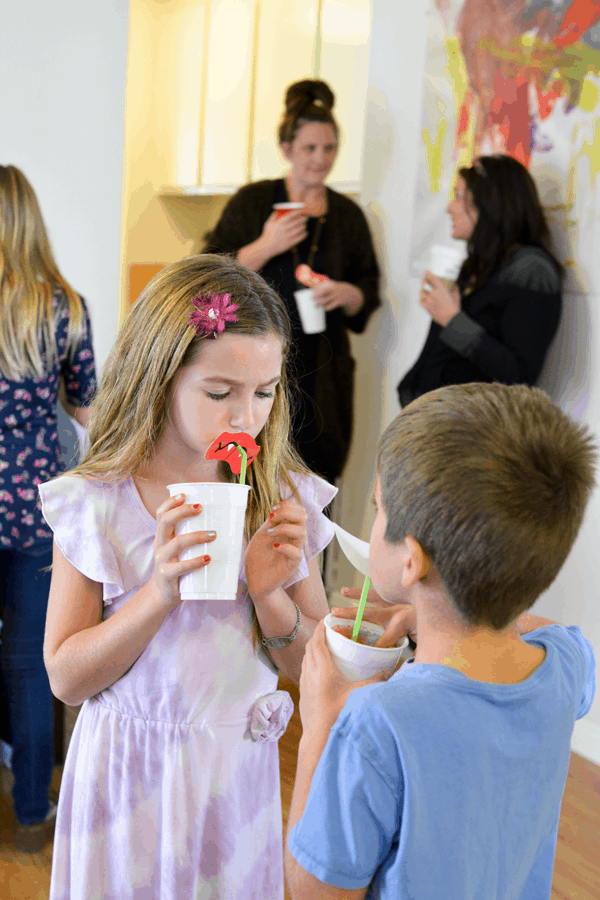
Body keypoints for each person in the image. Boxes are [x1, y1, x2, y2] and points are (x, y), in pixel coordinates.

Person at [39, 254, 336, 899]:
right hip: (124, 782)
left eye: (264, 393)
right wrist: (158, 592)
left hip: (231, 783)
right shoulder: (98, 502)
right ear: (159, 377)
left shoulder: (281, 496)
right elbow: (65, 677)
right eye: (219, 392)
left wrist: (269, 594)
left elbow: (313, 666)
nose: (245, 418)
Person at [285, 382, 596, 900]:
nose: (373, 516)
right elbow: (544, 630)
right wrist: (422, 613)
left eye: (378, 507)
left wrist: (319, 724)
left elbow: (314, 890)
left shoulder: (375, 721)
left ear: (412, 559)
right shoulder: (565, 665)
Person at [203, 78, 381, 484]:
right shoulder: (253, 202)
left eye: (330, 148)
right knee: (247, 479)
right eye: (310, 149)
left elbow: (367, 292)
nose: (321, 159)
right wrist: (266, 245)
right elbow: (209, 274)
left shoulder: (348, 217)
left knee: (316, 484)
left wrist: (346, 293)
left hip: (324, 373)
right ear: (286, 150)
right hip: (249, 365)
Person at [0, 164, 96, 853]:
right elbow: (86, 407)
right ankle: (33, 812)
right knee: (33, 663)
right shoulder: (65, 306)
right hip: (38, 512)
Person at [398, 154, 563, 407]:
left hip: (473, 435)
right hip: (432, 427)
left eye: (458, 196)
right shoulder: (477, 264)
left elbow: (521, 378)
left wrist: (452, 320)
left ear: (487, 203)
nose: (449, 208)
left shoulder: (531, 269)